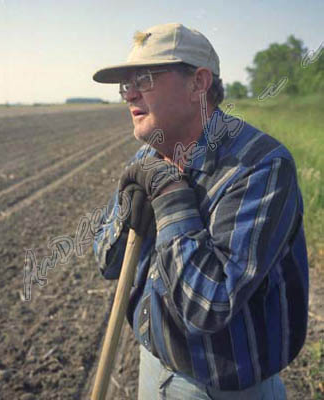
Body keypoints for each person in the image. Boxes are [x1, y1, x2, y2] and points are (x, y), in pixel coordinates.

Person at [92, 23, 309, 399]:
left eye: (143, 78)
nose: (129, 94)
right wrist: (127, 211)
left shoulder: (259, 167)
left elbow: (210, 305)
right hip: (154, 365)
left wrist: (171, 197)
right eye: (125, 84)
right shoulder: (148, 157)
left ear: (198, 83)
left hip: (221, 389)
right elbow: (107, 262)